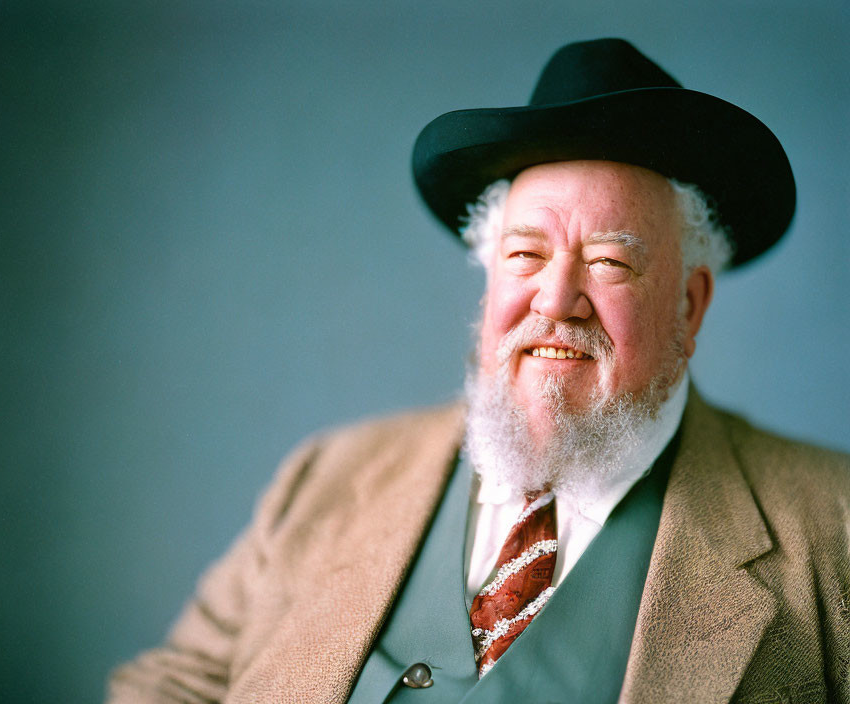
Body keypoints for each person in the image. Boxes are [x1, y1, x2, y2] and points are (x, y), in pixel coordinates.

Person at [108, 38, 850, 704]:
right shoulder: (325, 477)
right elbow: (179, 684)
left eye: (611, 262)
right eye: (526, 256)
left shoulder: (831, 532)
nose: (556, 299)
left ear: (689, 306)